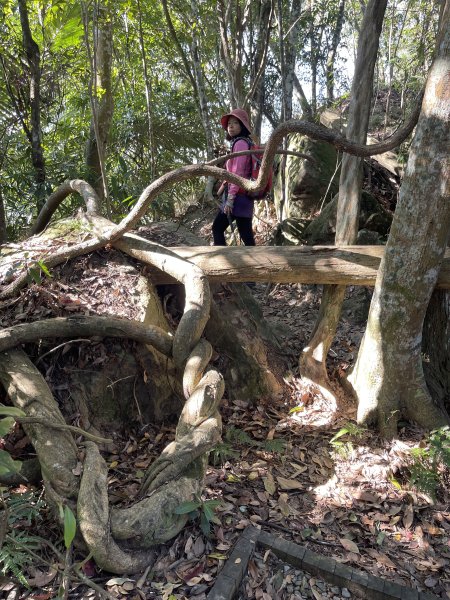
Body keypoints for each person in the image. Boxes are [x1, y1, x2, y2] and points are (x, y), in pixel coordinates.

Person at [212, 108, 255, 246]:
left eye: (235, 123)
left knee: (217, 228)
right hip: (243, 196)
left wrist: (230, 198)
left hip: (238, 197)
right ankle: (256, 264)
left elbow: (238, 173)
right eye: (229, 123)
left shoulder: (241, 143)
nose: (230, 126)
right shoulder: (244, 142)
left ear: (242, 125)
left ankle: (223, 263)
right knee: (246, 236)